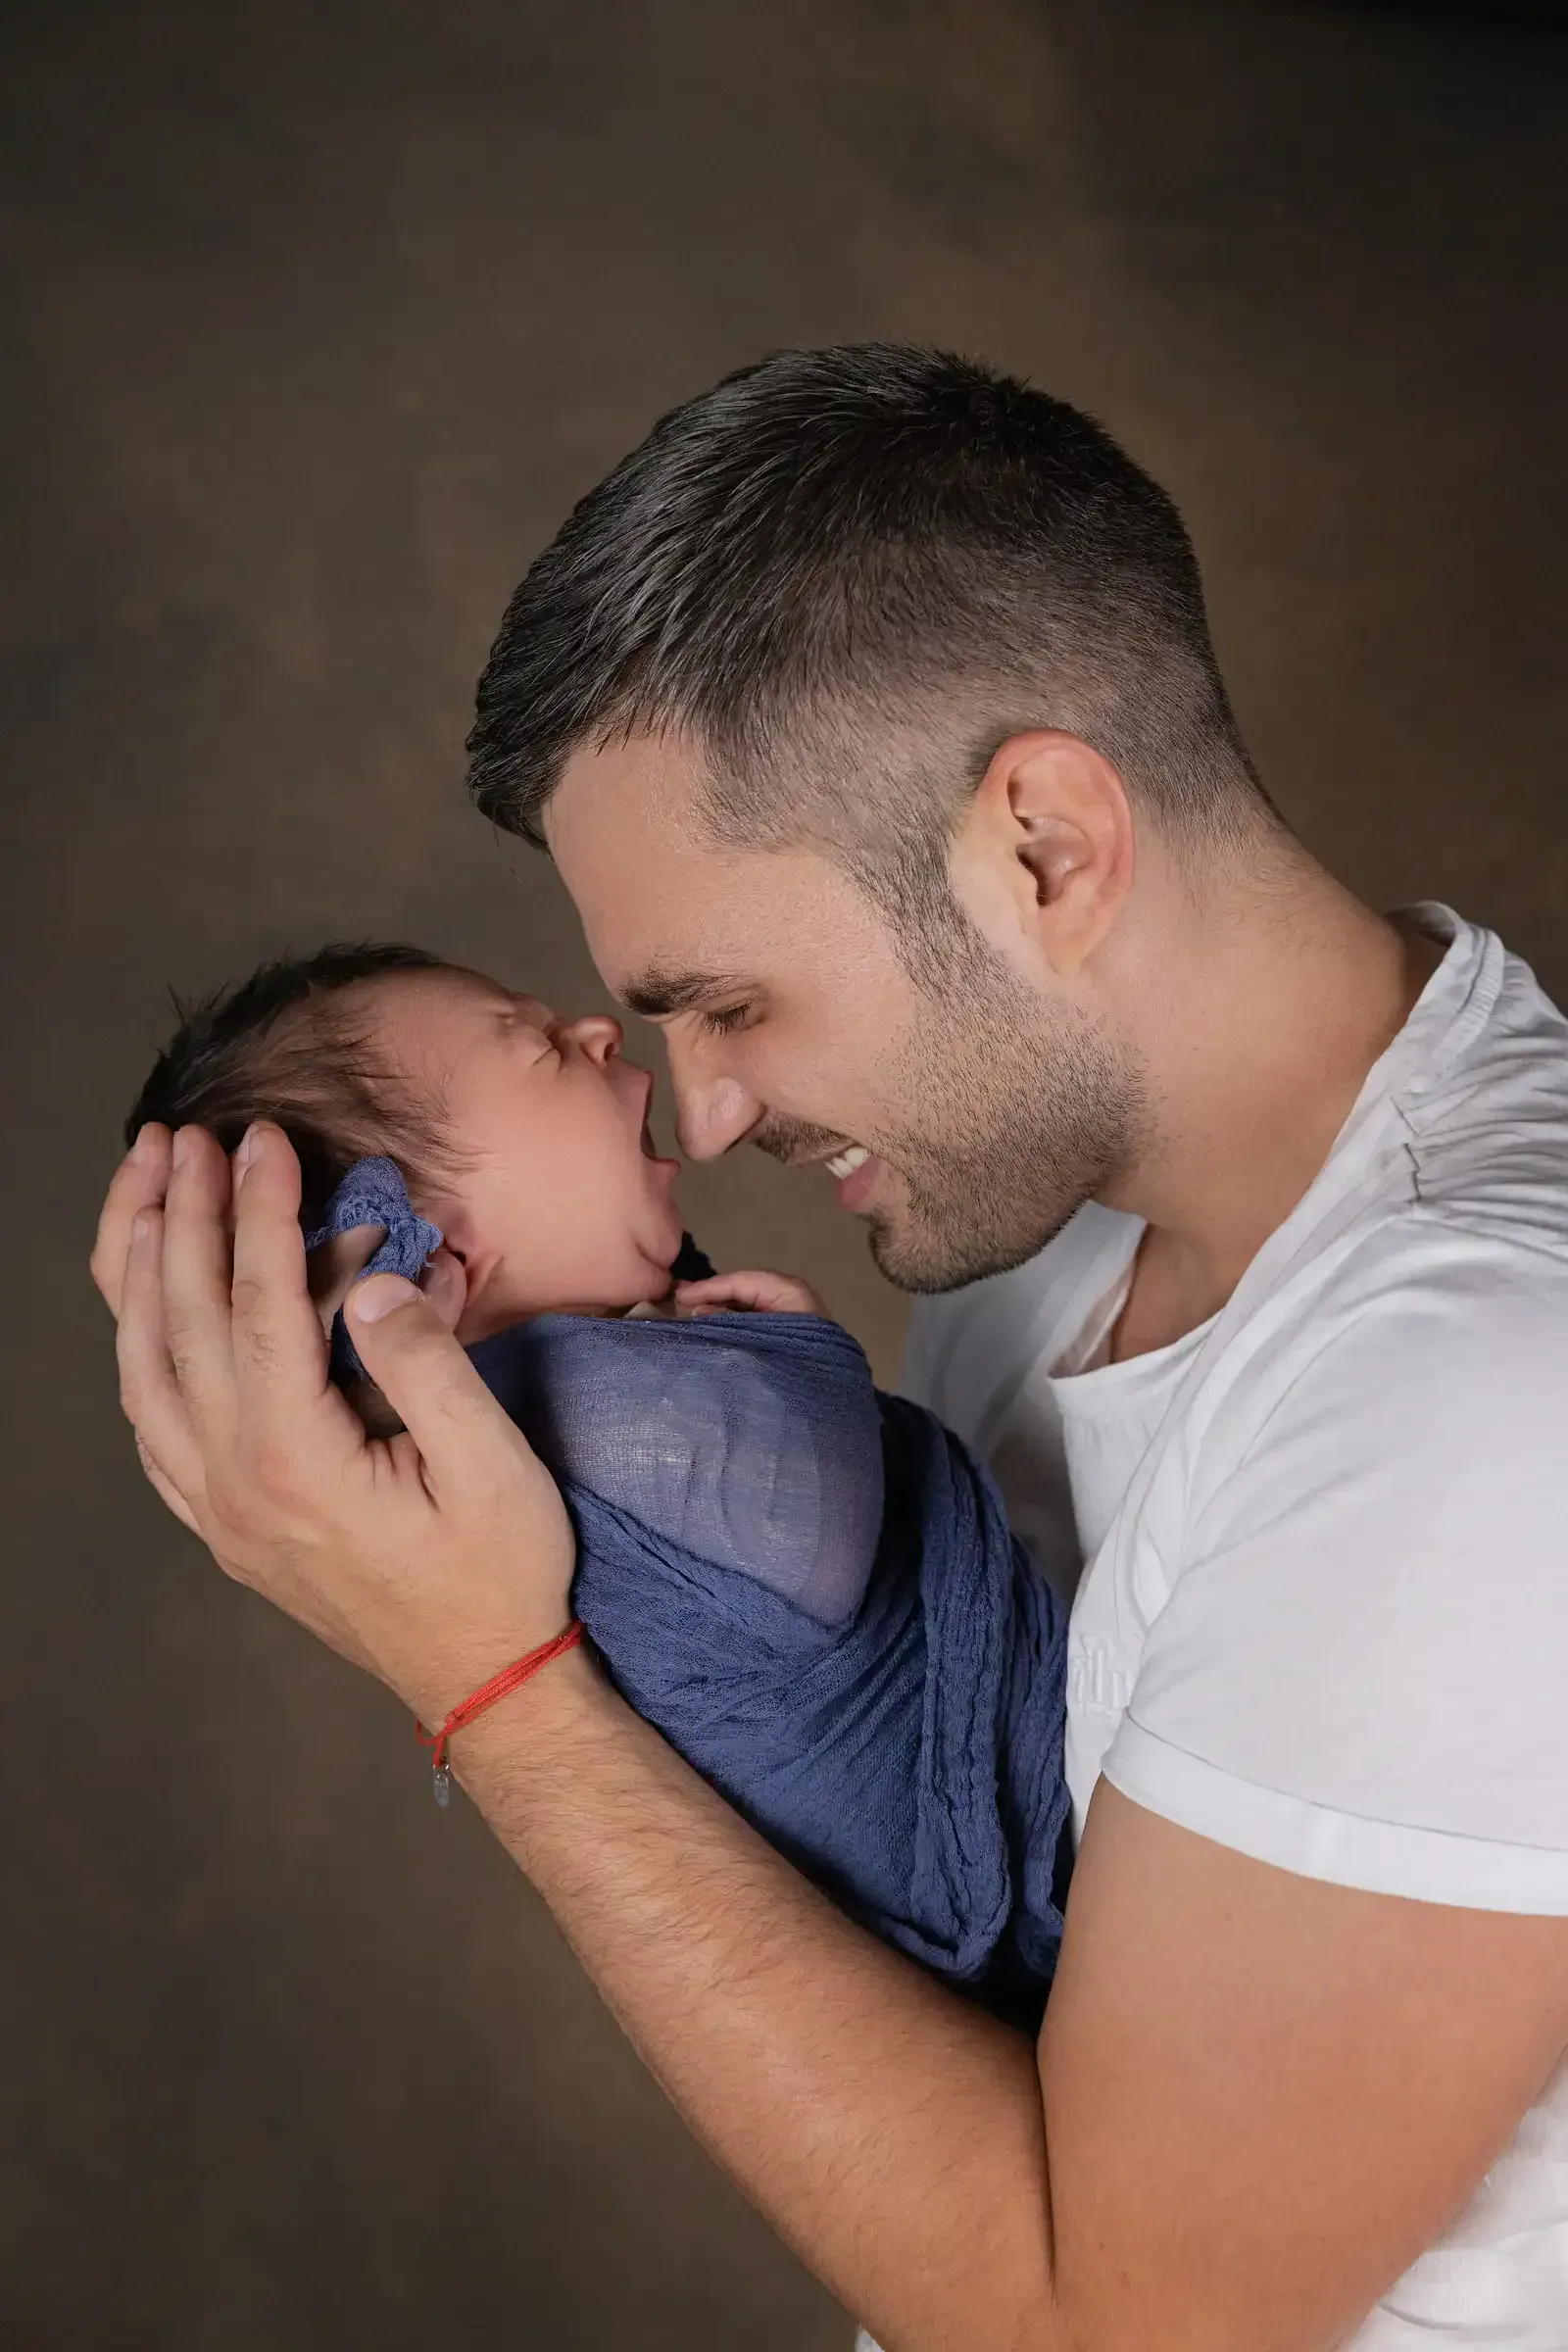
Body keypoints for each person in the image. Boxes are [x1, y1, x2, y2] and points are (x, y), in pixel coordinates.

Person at [94, 344, 1568, 2352]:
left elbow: (1100, 2329)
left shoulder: (1483, 1390)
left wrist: (494, 1687)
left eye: (728, 1004)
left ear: (1041, 848)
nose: (700, 1119)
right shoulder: (1020, 1229)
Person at [123, 942, 1071, 2017]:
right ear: (417, 1260)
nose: (597, 1029)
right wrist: (787, 1363)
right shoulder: (573, 1421)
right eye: (533, 1042)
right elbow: (799, 1501)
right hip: (1036, 1894)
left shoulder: (569, 1408)